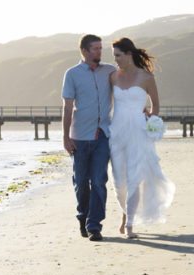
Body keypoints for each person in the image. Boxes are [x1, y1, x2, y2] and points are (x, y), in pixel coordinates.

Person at [109, 37, 175, 239]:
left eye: (118, 55)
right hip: (116, 133)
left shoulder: (146, 77)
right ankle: (125, 213)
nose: (116, 60)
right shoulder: (112, 77)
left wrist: (152, 122)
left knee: (134, 178)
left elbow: (155, 105)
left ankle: (129, 226)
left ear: (129, 54)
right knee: (119, 181)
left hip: (138, 133)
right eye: (114, 56)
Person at [62, 34, 116, 241]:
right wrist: (65, 137)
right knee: (81, 182)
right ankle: (82, 216)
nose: (100, 52)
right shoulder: (72, 74)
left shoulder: (109, 71)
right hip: (80, 137)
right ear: (84, 51)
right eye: (95, 49)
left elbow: (127, 86)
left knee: (99, 180)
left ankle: (95, 226)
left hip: (103, 134)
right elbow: (67, 107)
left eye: (101, 48)